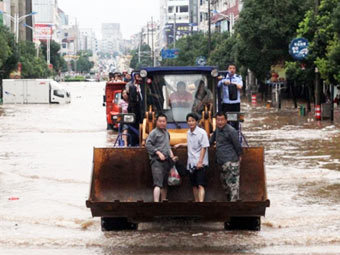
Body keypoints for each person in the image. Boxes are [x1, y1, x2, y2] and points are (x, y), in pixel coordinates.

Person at [175, 113, 210, 202]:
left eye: (193, 121)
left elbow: (204, 147)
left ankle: (201, 204)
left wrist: (200, 161)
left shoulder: (202, 133)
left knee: (200, 185)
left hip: (200, 164)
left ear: (196, 122)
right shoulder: (188, 133)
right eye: (189, 121)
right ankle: (196, 202)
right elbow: (191, 144)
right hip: (191, 164)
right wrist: (181, 144)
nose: (191, 123)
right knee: (194, 185)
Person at [210, 112, 243, 201]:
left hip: (231, 162)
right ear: (215, 121)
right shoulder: (217, 130)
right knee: (225, 186)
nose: (220, 122)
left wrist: (240, 155)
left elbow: (237, 145)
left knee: (233, 187)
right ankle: (230, 204)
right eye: (218, 120)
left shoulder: (231, 131)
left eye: (222, 120)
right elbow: (209, 142)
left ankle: (233, 209)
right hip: (221, 163)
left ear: (226, 120)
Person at [146, 113, 178, 202]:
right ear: (156, 122)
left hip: (167, 161)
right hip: (157, 162)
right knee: (157, 183)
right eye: (160, 121)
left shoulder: (167, 133)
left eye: (164, 121)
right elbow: (148, 144)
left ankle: (163, 201)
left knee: (165, 183)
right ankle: (156, 203)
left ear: (166, 122)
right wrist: (158, 152)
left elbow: (168, 146)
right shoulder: (153, 133)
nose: (162, 123)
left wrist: (171, 156)